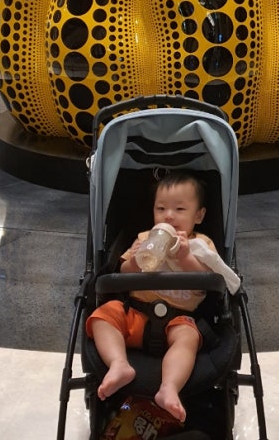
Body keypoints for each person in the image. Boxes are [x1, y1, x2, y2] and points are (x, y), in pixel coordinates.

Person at [86, 171, 214, 422]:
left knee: (188, 337)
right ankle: (119, 364)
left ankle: (169, 388)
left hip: (178, 319)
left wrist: (186, 258)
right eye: (161, 208)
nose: (168, 216)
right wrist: (135, 260)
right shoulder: (144, 238)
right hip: (136, 314)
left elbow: (209, 277)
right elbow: (122, 272)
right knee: (103, 315)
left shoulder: (200, 244)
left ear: (198, 215)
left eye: (179, 209)